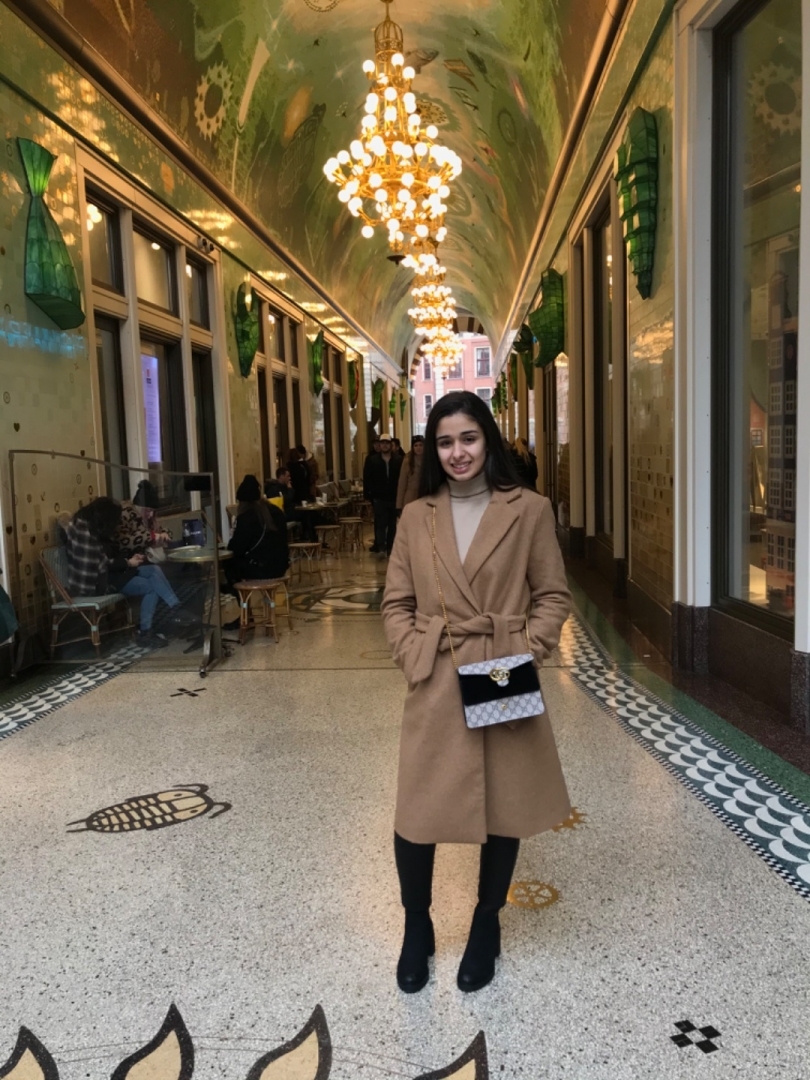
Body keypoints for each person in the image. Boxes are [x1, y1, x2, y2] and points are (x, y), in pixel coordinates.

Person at [381, 390, 571, 995]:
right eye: (444, 442)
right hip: (437, 670)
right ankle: (417, 924)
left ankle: (487, 922)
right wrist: (414, 655)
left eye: (468, 438)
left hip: (501, 666)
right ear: (432, 451)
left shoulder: (529, 509)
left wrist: (525, 648)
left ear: (487, 438)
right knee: (418, 807)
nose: (457, 452)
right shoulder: (417, 516)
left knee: (503, 798)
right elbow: (396, 602)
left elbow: (553, 595)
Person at [65, 496, 186, 648]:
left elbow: (109, 556)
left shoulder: (92, 526)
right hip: (98, 583)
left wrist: (129, 559)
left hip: (111, 573)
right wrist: (128, 562)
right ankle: (146, 631)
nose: (116, 524)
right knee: (150, 587)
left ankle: (176, 607)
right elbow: (102, 564)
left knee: (153, 569)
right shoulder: (85, 532)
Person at [224, 475, 290, 593]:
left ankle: (239, 595)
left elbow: (237, 549)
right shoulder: (276, 511)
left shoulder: (247, 517)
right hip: (281, 567)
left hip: (261, 570)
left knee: (229, 563)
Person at [363, 433, 402, 557]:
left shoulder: (398, 460)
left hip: (394, 497)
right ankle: (380, 547)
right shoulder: (372, 460)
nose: (385, 445)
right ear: (379, 445)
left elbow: (401, 479)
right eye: (382, 443)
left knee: (392, 524)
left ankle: (390, 547)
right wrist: (368, 495)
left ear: (391, 445)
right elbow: (367, 478)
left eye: (387, 443)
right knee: (380, 523)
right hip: (379, 498)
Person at [396, 435, 424, 513]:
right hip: (410, 498)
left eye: (420, 445)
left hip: (424, 497)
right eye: (416, 445)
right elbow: (402, 484)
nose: (418, 448)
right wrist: (399, 505)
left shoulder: (428, 462)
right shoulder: (407, 462)